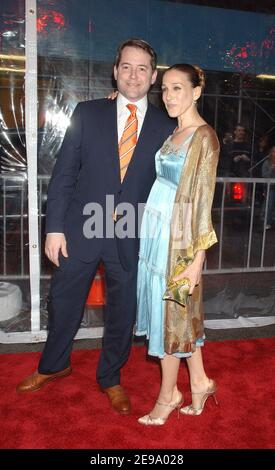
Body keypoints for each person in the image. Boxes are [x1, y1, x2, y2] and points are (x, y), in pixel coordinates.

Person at [16, 38, 175, 415]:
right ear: (114, 71)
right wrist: (53, 228)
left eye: (142, 69)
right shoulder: (87, 113)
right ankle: (53, 365)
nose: (133, 75)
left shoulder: (168, 127)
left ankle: (111, 378)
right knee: (64, 302)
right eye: (126, 66)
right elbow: (64, 175)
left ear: (153, 77)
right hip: (80, 228)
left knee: (122, 311)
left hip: (132, 233)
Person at [135, 64, 220, 425]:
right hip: (157, 231)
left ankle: (168, 396)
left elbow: (202, 199)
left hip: (180, 237)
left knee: (169, 312)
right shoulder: (175, 132)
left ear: (196, 91)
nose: (169, 96)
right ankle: (199, 382)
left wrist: (197, 258)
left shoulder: (204, 137)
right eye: (165, 89)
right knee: (178, 312)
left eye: (177, 89)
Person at [261, 146, 275, 230]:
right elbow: (264, 176)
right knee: (269, 205)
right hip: (271, 187)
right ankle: (267, 222)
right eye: (274, 152)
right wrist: (272, 169)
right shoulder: (266, 163)